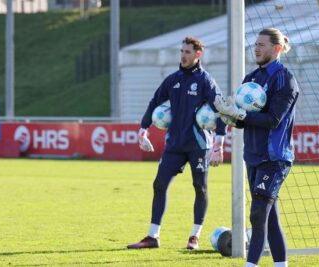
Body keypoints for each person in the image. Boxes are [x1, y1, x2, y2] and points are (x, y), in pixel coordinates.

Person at [127, 36, 227, 250]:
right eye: (181, 51)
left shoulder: (206, 81)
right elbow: (155, 102)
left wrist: (219, 144)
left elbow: (220, 111)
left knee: (200, 187)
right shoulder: (172, 80)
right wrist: (143, 131)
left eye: (187, 52)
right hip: (174, 145)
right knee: (159, 184)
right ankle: (153, 237)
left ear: (197, 55)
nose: (183, 55)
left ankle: (194, 236)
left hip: (199, 145)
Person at [214, 28, 299, 267]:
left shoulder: (285, 79)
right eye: (255, 44)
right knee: (269, 218)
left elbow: (273, 120)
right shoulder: (250, 78)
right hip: (252, 156)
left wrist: (241, 114)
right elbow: (246, 122)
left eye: (262, 44)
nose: (257, 48)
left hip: (274, 157)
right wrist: (232, 118)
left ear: (277, 48)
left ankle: (250, 265)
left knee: (258, 213)